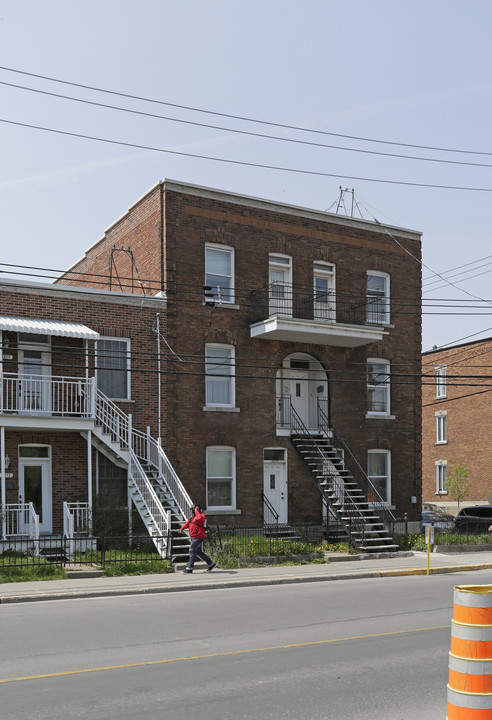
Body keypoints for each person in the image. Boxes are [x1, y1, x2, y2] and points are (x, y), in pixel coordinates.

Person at [179, 504, 216, 573]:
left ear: (197, 509)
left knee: (192, 550)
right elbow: (188, 523)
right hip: (194, 536)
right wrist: (182, 528)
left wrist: (197, 511)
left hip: (198, 535)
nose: (192, 510)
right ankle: (211, 563)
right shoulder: (193, 517)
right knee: (199, 552)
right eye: (192, 509)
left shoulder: (201, 515)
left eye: (193, 509)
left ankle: (189, 568)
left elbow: (199, 518)